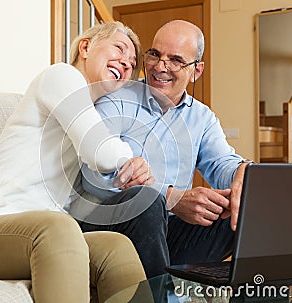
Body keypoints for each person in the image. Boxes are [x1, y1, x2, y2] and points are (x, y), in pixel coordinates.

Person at [0, 21, 153, 303]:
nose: (126, 63)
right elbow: (99, 151)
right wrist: (132, 161)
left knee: (115, 246)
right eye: (119, 48)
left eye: (132, 63)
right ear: (86, 47)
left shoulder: (86, 112)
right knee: (58, 227)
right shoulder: (61, 76)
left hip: (31, 238)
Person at [74, 20, 252, 279]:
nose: (160, 67)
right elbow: (95, 177)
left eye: (176, 60)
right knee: (148, 202)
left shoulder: (201, 118)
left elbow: (222, 163)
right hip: (107, 222)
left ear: (196, 71)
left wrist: (243, 173)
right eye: (155, 55)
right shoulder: (116, 98)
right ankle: (162, 293)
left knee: (246, 203)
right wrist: (173, 198)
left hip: (165, 233)